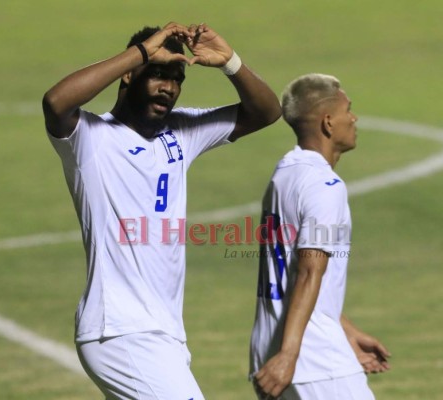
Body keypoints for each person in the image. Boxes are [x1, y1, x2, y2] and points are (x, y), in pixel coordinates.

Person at [42, 22, 281, 399]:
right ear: (127, 75)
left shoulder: (180, 133)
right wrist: (140, 53)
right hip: (120, 330)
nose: (168, 87)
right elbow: (56, 102)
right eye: (157, 74)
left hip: (164, 332)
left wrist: (230, 63)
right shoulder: (89, 139)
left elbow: (266, 111)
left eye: (176, 77)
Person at [249, 73, 390, 399]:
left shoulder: (285, 174)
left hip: (270, 345)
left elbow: (293, 272)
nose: (353, 118)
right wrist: (289, 356)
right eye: (348, 110)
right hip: (311, 357)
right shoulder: (325, 187)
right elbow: (310, 271)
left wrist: (346, 330)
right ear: (328, 122)